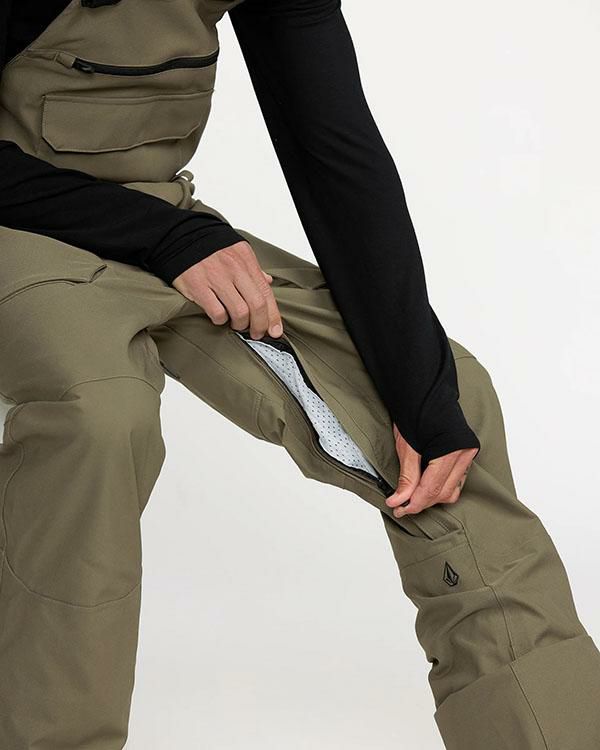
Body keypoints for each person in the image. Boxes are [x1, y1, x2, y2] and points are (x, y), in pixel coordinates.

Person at [0, 1, 598, 748]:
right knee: (98, 415)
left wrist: (416, 384)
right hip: (22, 224)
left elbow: (331, 146)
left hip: (162, 224)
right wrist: (169, 238)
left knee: (445, 408)